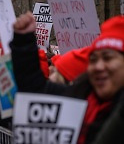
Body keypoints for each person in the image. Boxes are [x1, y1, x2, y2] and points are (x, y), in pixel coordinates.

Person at [10, 11, 124, 144]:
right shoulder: (80, 94)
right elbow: (35, 89)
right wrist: (24, 42)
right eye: (93, 59)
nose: (98, 66)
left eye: (108, 58)